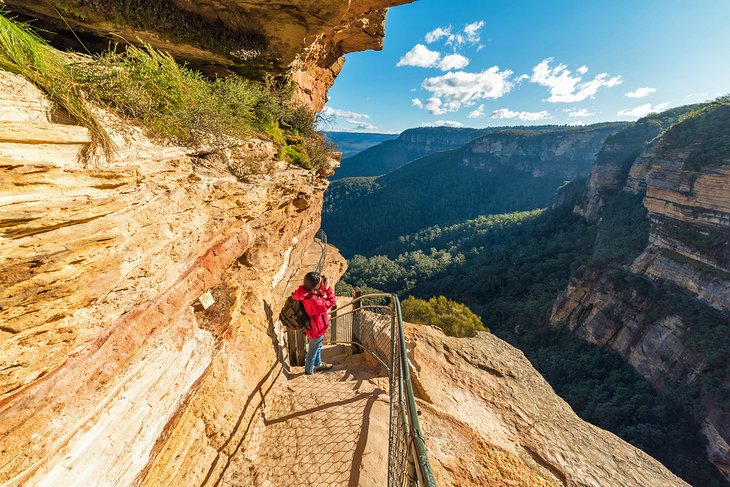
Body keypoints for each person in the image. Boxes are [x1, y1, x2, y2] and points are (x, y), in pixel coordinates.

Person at [293, 271, 336, 375]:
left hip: (314, 326)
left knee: (318, 346)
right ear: (315, 285)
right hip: (316, 329)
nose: (321, 284)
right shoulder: (316, 302)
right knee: (312, 352)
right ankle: (309, 373)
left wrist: (323, 286)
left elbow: (317, 293)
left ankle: (318, 364)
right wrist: (328, 289)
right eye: (320, 282)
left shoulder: (305, 291)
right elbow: (332, 302)